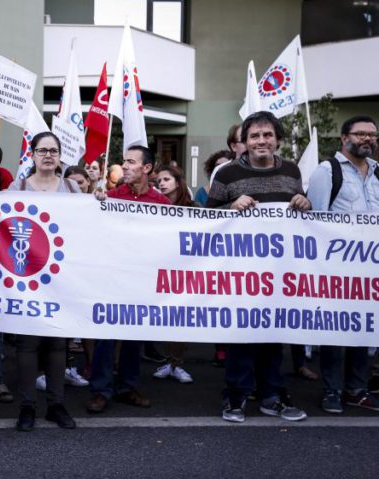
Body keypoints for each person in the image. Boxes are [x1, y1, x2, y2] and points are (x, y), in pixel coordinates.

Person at [207, 110, 310, 423]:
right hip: (239, 272)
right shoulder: (225, 175)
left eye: (268, 135)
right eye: (254, 136)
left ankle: (272, 396)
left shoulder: (292, 171)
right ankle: (236, 397)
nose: (261, 141)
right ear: (244, 142)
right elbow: (205, 219)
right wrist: (229, 205)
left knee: (273, 334)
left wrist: (305, 204)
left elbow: (303, 219)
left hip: (279, 271)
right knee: (241, 336)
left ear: (278, 140)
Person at [87, 146, 169, 415]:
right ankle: (101, 390)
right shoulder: (110, 197)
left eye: (131, 162)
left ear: (146, 168)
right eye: (124, 162)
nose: (125, 166)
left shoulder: (162, 205)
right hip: (111, 278)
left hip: (141, 280)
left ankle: (127, 387)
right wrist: (95, 202)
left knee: (134, 336)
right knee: (105, 336)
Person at [7, 131, 80, 432]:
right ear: (32, 155)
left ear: (60, 155)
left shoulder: (73, 188)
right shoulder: (19, 186)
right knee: (27, 343)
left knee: (56, 343)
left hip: (62, 278)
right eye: (42, 150)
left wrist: (99, 201)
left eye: (53, 150)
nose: (48, 155)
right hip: (28, 276)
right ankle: (27, 407)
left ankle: (56, 404)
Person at [308, 115, 379, 414]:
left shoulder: (377, 173)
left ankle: (357, 389)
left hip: (369, 269)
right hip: (336, 268)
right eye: (360, 133)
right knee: (336, 331)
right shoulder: (328, 171)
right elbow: (316, 220)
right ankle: (333, 390)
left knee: (363, 329)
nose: (367, 139)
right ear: (344, 138)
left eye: (372, 135)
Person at [153, 166, 197, 384]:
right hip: (159, 268)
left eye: (167, 179)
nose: (161, 183)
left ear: (178, 182)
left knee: (179, 320)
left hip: (184, 270)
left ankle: (177, 363)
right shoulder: (152, 206)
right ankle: (168, 361)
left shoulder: (193, 207)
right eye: (159, 180)